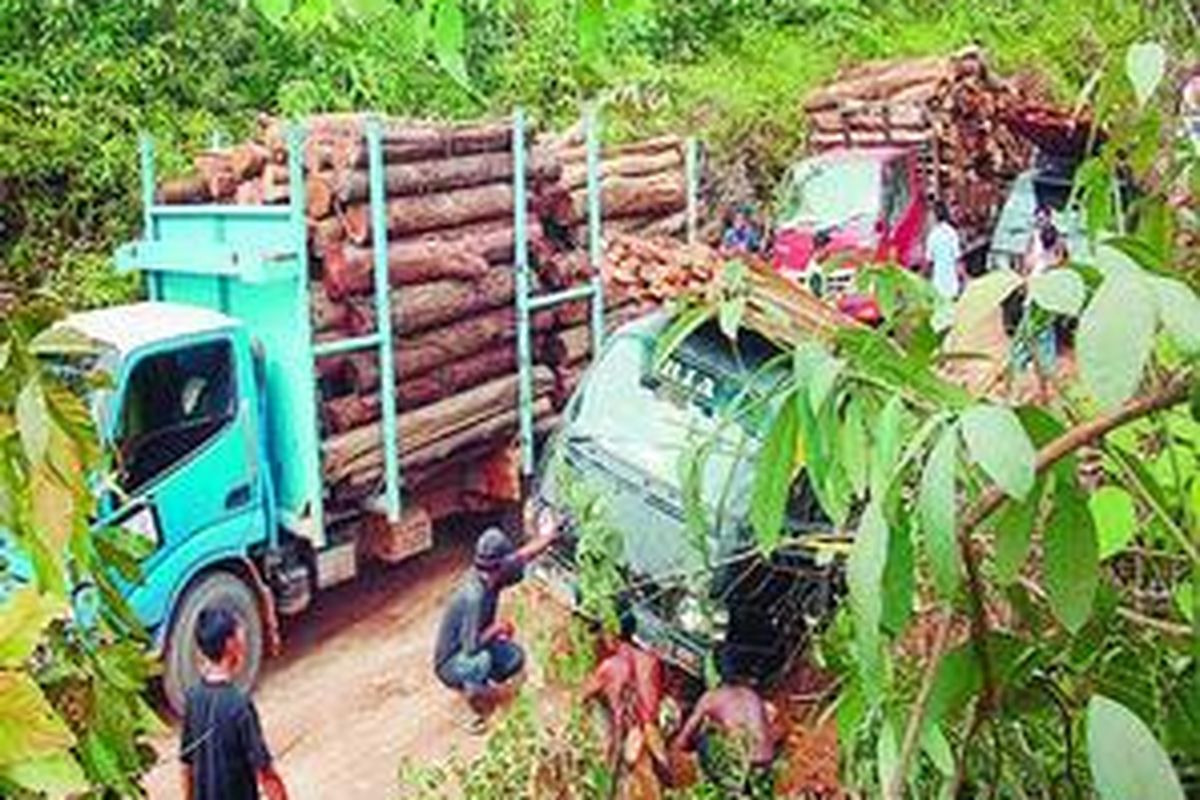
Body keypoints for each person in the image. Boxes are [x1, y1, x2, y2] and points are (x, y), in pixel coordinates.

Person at [433, 508, 559, 732]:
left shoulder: (494, 572)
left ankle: (486, 685)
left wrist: (548, 537)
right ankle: (473, 710)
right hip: (452, 661)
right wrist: (497, 628)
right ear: (498, 566)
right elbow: (470, 648)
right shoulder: (474, 595)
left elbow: (522, 555)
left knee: (514, 658)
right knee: (480, 661)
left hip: (475, 642)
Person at [181, 606, 288, 800]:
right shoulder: (239, 706)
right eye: (241, 637)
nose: (244, 644)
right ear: (231, 644)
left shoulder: (193, 698)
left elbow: (186, 766)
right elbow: (266, 773)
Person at [582, 614, 673, 791]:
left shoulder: (611, 666)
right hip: (647, 734)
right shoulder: (652, 660)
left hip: (632, 741)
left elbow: (579, 696)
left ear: (615, 633)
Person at [674, 657, 779, 798]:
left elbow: (684, 737)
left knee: (705, 738)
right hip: (767, 761)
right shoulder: (752, 694)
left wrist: (675, 750)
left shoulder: (712, 697)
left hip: (743, 769)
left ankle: (727, 790)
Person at [926, 201, 963, 301]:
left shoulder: (932, 236)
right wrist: (963, 279)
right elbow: (958, 260)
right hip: (952, 285)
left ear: (935, 216)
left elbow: (930, 262)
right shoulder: (952, 233)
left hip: (938, 286)